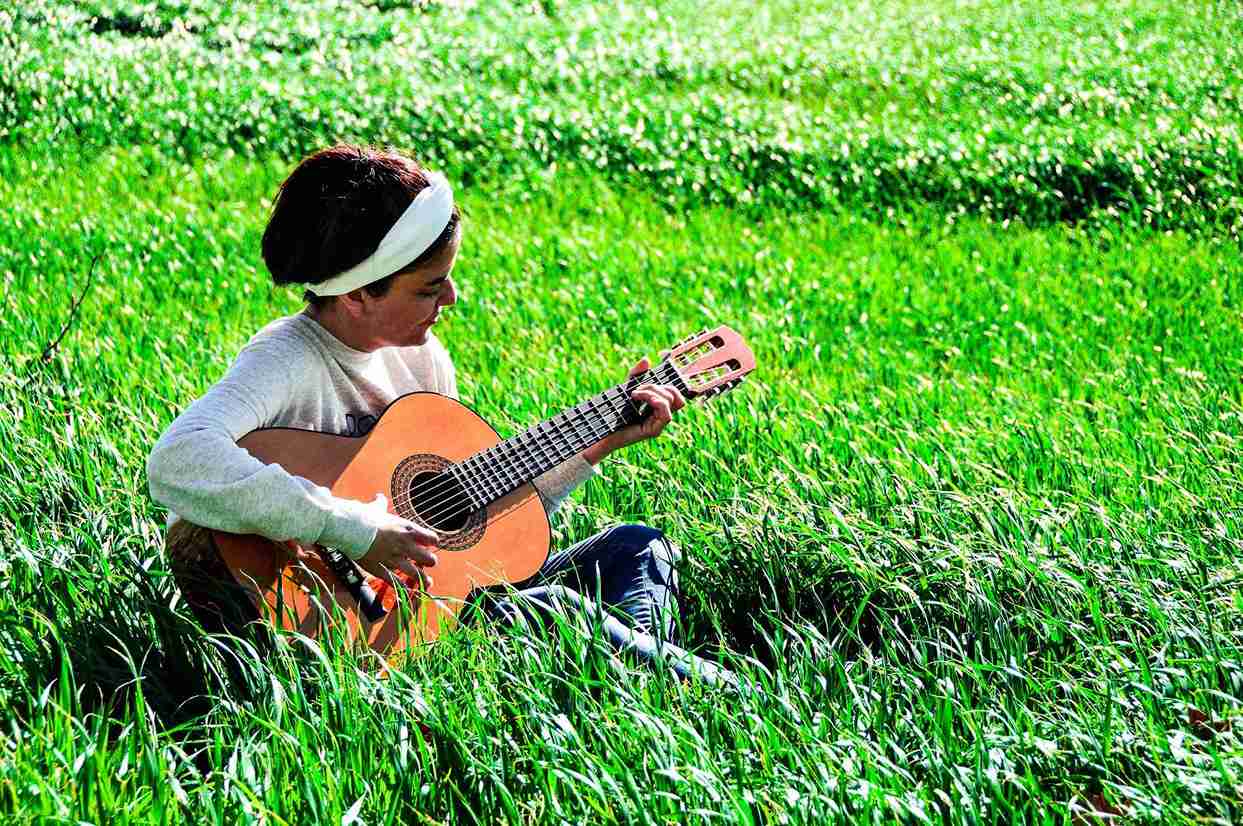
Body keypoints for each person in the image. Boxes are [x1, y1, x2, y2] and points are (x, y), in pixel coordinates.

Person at [147, 143, 737, 688]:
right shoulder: (287, 358)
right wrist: (352, 530)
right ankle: (705, 692)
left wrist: (598, 443)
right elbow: (178, 459)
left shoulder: (424, 361)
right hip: (305, 609)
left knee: (635, 547)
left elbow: (473, 533)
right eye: (430, 287)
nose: (451, 298)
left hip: (427, 602)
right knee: (538, 611)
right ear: (358, 295)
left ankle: (635, 686)